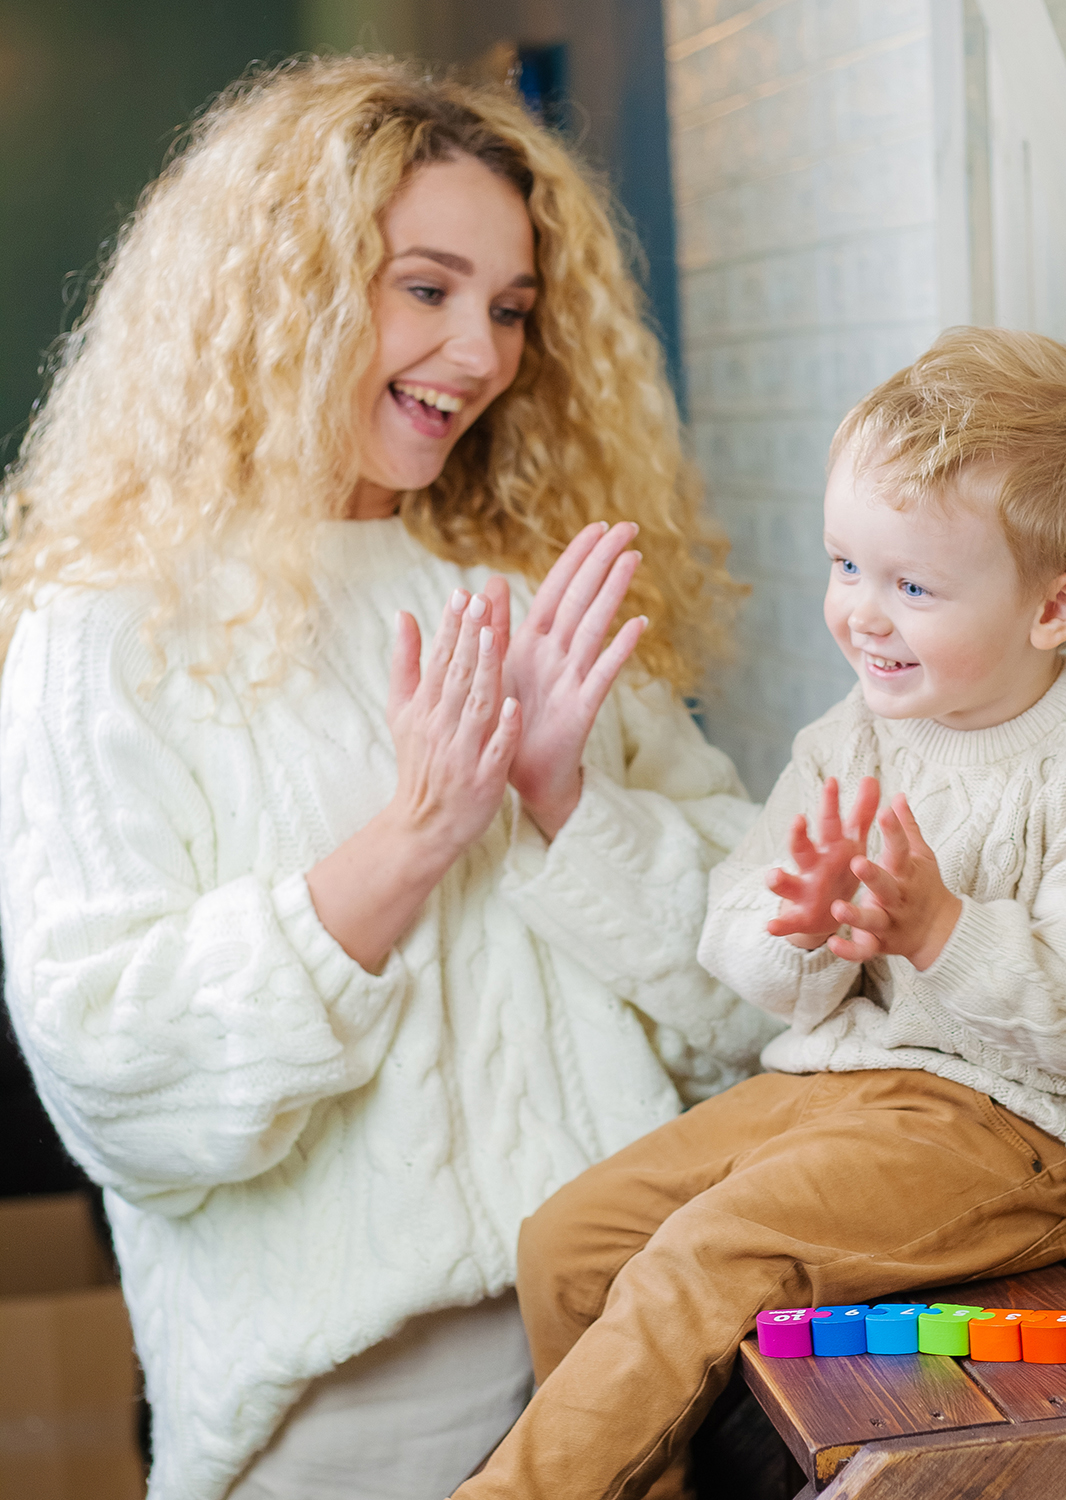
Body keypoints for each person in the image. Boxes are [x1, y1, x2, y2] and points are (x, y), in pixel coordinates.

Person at [0, 56, 776, 1500]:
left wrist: (566, 804)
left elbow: (751, 996)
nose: (478, 354)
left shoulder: (533, 586)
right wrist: (412, 840)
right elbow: (114, 1071)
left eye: (509, 309)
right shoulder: (108, 628)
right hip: (350, 1422)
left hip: (635, 1358)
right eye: (424, 288)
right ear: (278, 288)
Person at [457, 328, 1066, 1500]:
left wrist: (937, 932)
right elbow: (741, 945)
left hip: (1022, 1126)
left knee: (711, 1256)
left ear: (1056, 606)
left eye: (913, 586)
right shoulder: (851, 736)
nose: (863, 614)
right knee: (567, 1243)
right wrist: (800, 927)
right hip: (839, 1085)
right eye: (845, 566)